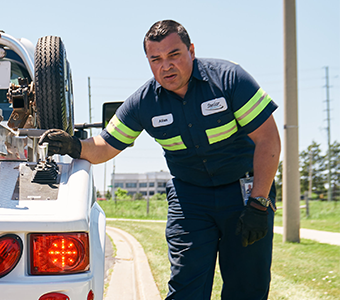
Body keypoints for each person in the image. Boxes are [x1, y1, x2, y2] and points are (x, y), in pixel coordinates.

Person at [40, 19, 281, 300]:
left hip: (244, 194)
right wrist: (73, 146)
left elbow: (268, 140)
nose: (165, 66)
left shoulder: (230, 79)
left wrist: (259, 203)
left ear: (191, 51)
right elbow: (105, 145)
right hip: (190, 197)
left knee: (247, 287)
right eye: (155, 59)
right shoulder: (144, 102)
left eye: (174, 55)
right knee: (186, 286)